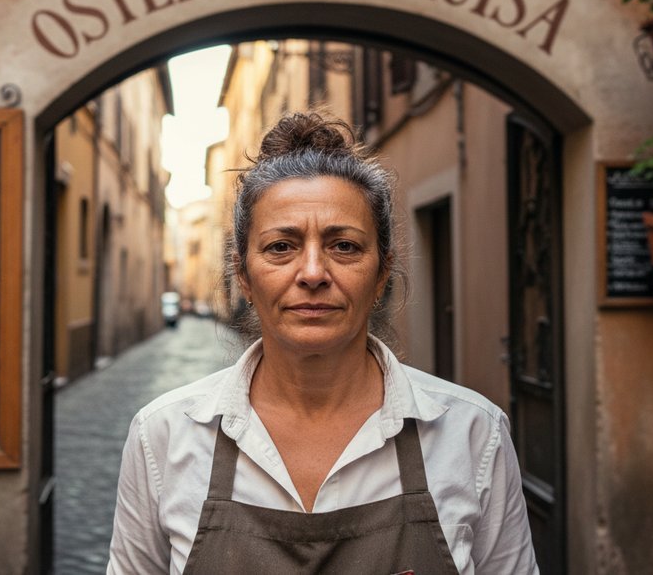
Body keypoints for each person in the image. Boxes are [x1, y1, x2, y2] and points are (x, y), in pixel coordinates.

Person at [107, 112, 538, 574]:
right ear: (243, 276)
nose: (313, 273)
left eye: (344, 246)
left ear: (382, 274)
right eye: (281, 247)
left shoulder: (472, 435)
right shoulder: (163, 437)